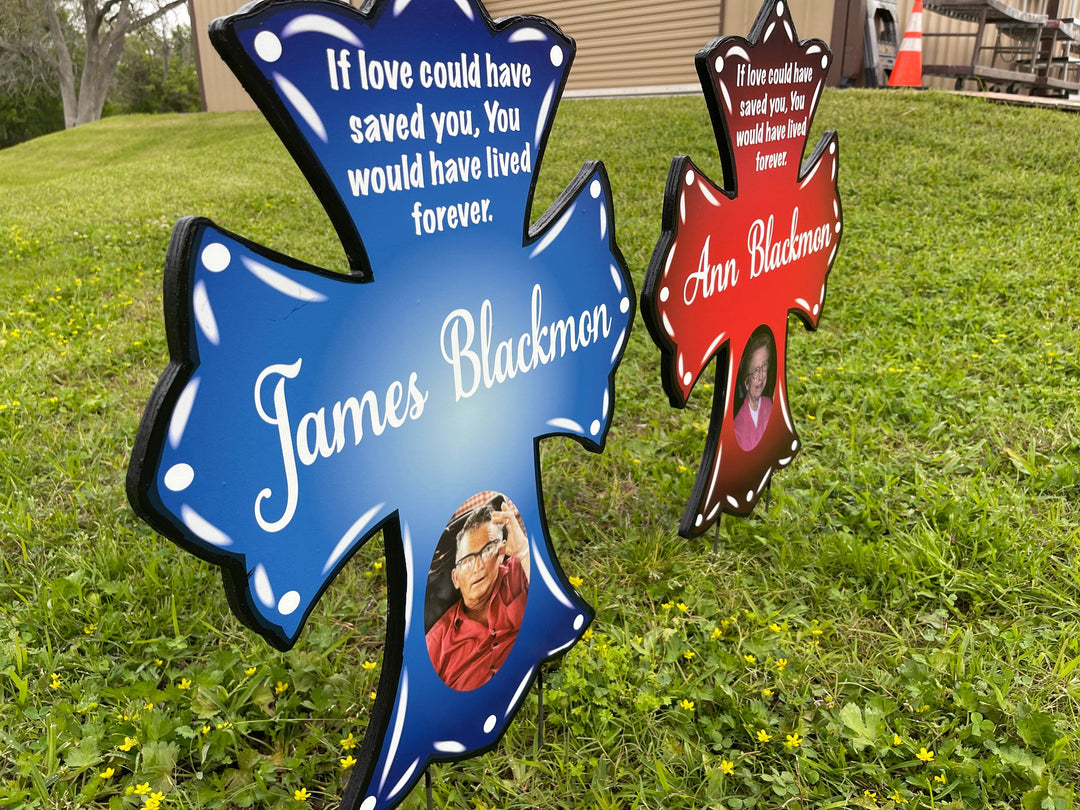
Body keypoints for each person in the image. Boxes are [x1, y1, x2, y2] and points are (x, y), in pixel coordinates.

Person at [426, 502, 530, 691]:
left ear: (501, 553)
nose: (478, 566)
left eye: (488, 550)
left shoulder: (520, 573)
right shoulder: (435, 644)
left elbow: (550, 601)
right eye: (467, 560)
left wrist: (523, 551)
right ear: (455, 577)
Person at [734, 332, 773, 451]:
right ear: (746, 380)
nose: (760, 376)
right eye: (755, 370)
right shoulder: (737, 421)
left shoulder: (769, 404)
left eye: (764, 365)